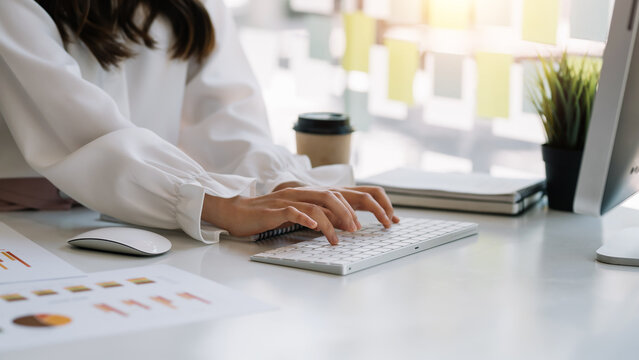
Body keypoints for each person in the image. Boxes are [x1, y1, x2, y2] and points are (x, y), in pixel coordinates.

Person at [0, 0, 399, 245]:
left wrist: (283, 186)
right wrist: (213, 203)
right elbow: (80, 131)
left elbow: (226, 121)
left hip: (139, 215)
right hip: (23, 228)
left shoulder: (192, 7)